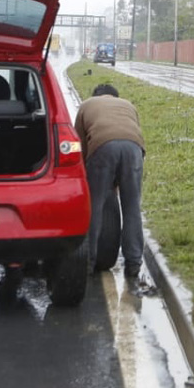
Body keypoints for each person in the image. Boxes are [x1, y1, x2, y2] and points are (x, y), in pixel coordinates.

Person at [74, 83, 146, 278]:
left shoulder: (87, 105)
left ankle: (88, 262)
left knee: (94, 207)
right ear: (115, 96)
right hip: (134, 148)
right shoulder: (128, 105)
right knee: (132, 207)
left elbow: (79, 146)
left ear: (96, 94)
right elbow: (133, 133)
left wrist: (90, 178)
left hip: (102, 146)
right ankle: (133, 263)